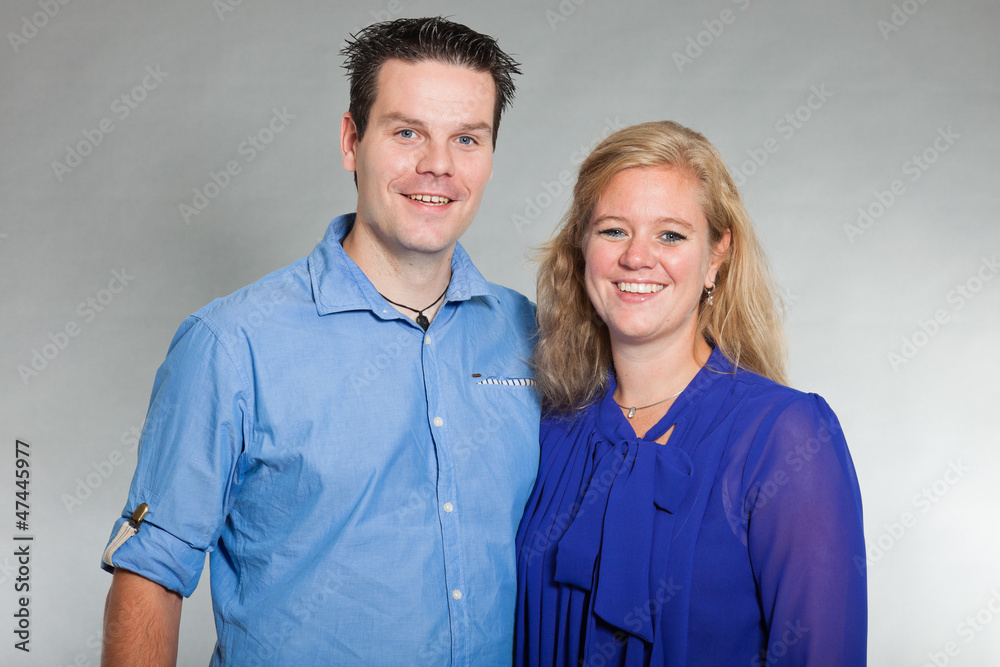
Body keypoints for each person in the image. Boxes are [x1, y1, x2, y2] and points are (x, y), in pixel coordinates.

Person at [101, 17, 540, 665]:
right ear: (351, 140)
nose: (438, 166)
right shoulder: (230, 344)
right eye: (407, 132)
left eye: (467, 138)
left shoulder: (532, 335)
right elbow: (150, 574)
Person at [514, 121, 866, 666]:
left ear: (717, 256)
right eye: (612, 230)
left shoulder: (788, 437)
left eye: (671, 235)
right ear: (582, 246)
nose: (637, 257)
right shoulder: (546, 428)